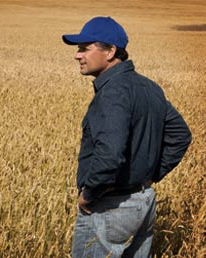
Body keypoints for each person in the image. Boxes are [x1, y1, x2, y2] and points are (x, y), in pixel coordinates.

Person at [62, 16, 192, 257]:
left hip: (110, 206)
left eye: (84, 48)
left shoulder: (112, 92)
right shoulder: (148, 87)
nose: (77, 55)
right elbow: (180, 135)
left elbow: (109, 153)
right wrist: (149, 176)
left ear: (110, 51)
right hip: (143, 202)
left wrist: (89, 195)